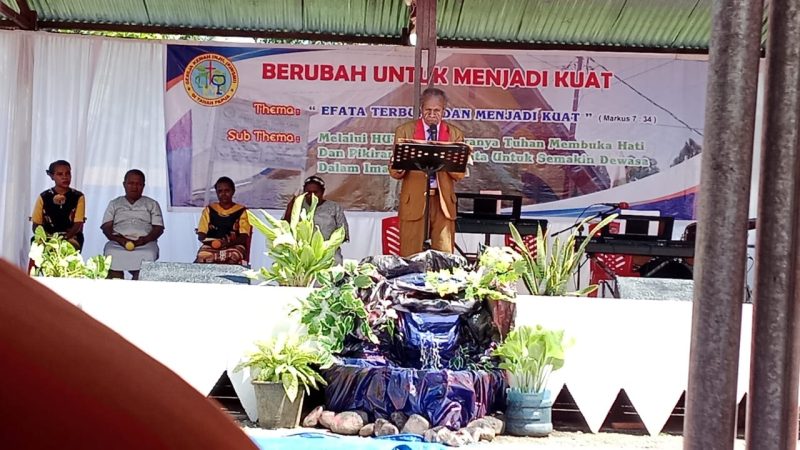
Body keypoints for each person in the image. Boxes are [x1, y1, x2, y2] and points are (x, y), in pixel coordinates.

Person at [389, 87, 466, 256]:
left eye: (437, 110)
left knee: (444, 258)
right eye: (428, 110)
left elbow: (459, 175)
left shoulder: (454, 134)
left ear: (444, 111)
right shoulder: (405, 131)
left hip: (442, 202)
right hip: (414, 200)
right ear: (421, 109)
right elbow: (394, 172)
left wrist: (447, 158)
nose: (432, 114)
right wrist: (404, 161)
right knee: (410, 256)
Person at [101, 169, 164, 280]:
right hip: (118, 243)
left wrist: (144, 240)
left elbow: (158, 228)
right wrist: (119, 240)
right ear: (124, 184)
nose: (134, 187)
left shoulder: (152, 204)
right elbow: (106, 227)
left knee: (149, 255)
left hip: (145, 244)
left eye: (138, 184)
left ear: (143, 186)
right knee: (110, 252)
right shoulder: (114, 203)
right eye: (131, 183)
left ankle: (137, 288)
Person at [283, 175, 349, 264]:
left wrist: (327, 246)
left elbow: (343, 233)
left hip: (328, 253)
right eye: (308, 192)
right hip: (302, 254)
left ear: (322, 192)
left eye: (315, 192)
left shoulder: (334, 207)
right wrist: (292, 204)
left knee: (335, 264)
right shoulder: (297, 207)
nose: (311, 195)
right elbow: (285, 226)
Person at [195, 176, 251, 265]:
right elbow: (201, 234)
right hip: (212, 246)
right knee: (202, 256)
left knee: (234, 255)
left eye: (227, 191)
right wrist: (212, 242)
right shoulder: (209, 210)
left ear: (233, 191)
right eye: (220, 191)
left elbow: (244, 237)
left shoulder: (241, 211)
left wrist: (226, 244)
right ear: (216, 193)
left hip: (234, 246)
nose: (223, 194)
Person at [31, 160, 85, 250]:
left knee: (67, 249)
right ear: (52, 176)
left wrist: (64, 238)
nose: (65, 177)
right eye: (60, 174)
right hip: (48, 237)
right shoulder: (44, 196)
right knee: (37, 246)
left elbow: (78, 223)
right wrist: (47, 239)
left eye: (68, 174)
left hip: (70, 237)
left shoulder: (78, 196)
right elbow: (36, 224)